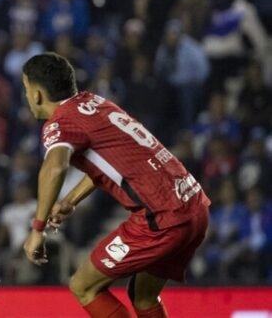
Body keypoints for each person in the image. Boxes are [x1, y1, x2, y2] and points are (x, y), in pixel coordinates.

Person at [20, 52, 210, 318]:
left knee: (84, 287)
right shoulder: (96, 103)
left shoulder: (60, 122)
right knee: (143, 296)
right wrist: (70, 200)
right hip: (194, 204)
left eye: (26, 89)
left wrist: (37, 229)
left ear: (37, 94)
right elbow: (117, 163)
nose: (27, 97)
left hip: (163, 217)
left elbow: (55, 166)